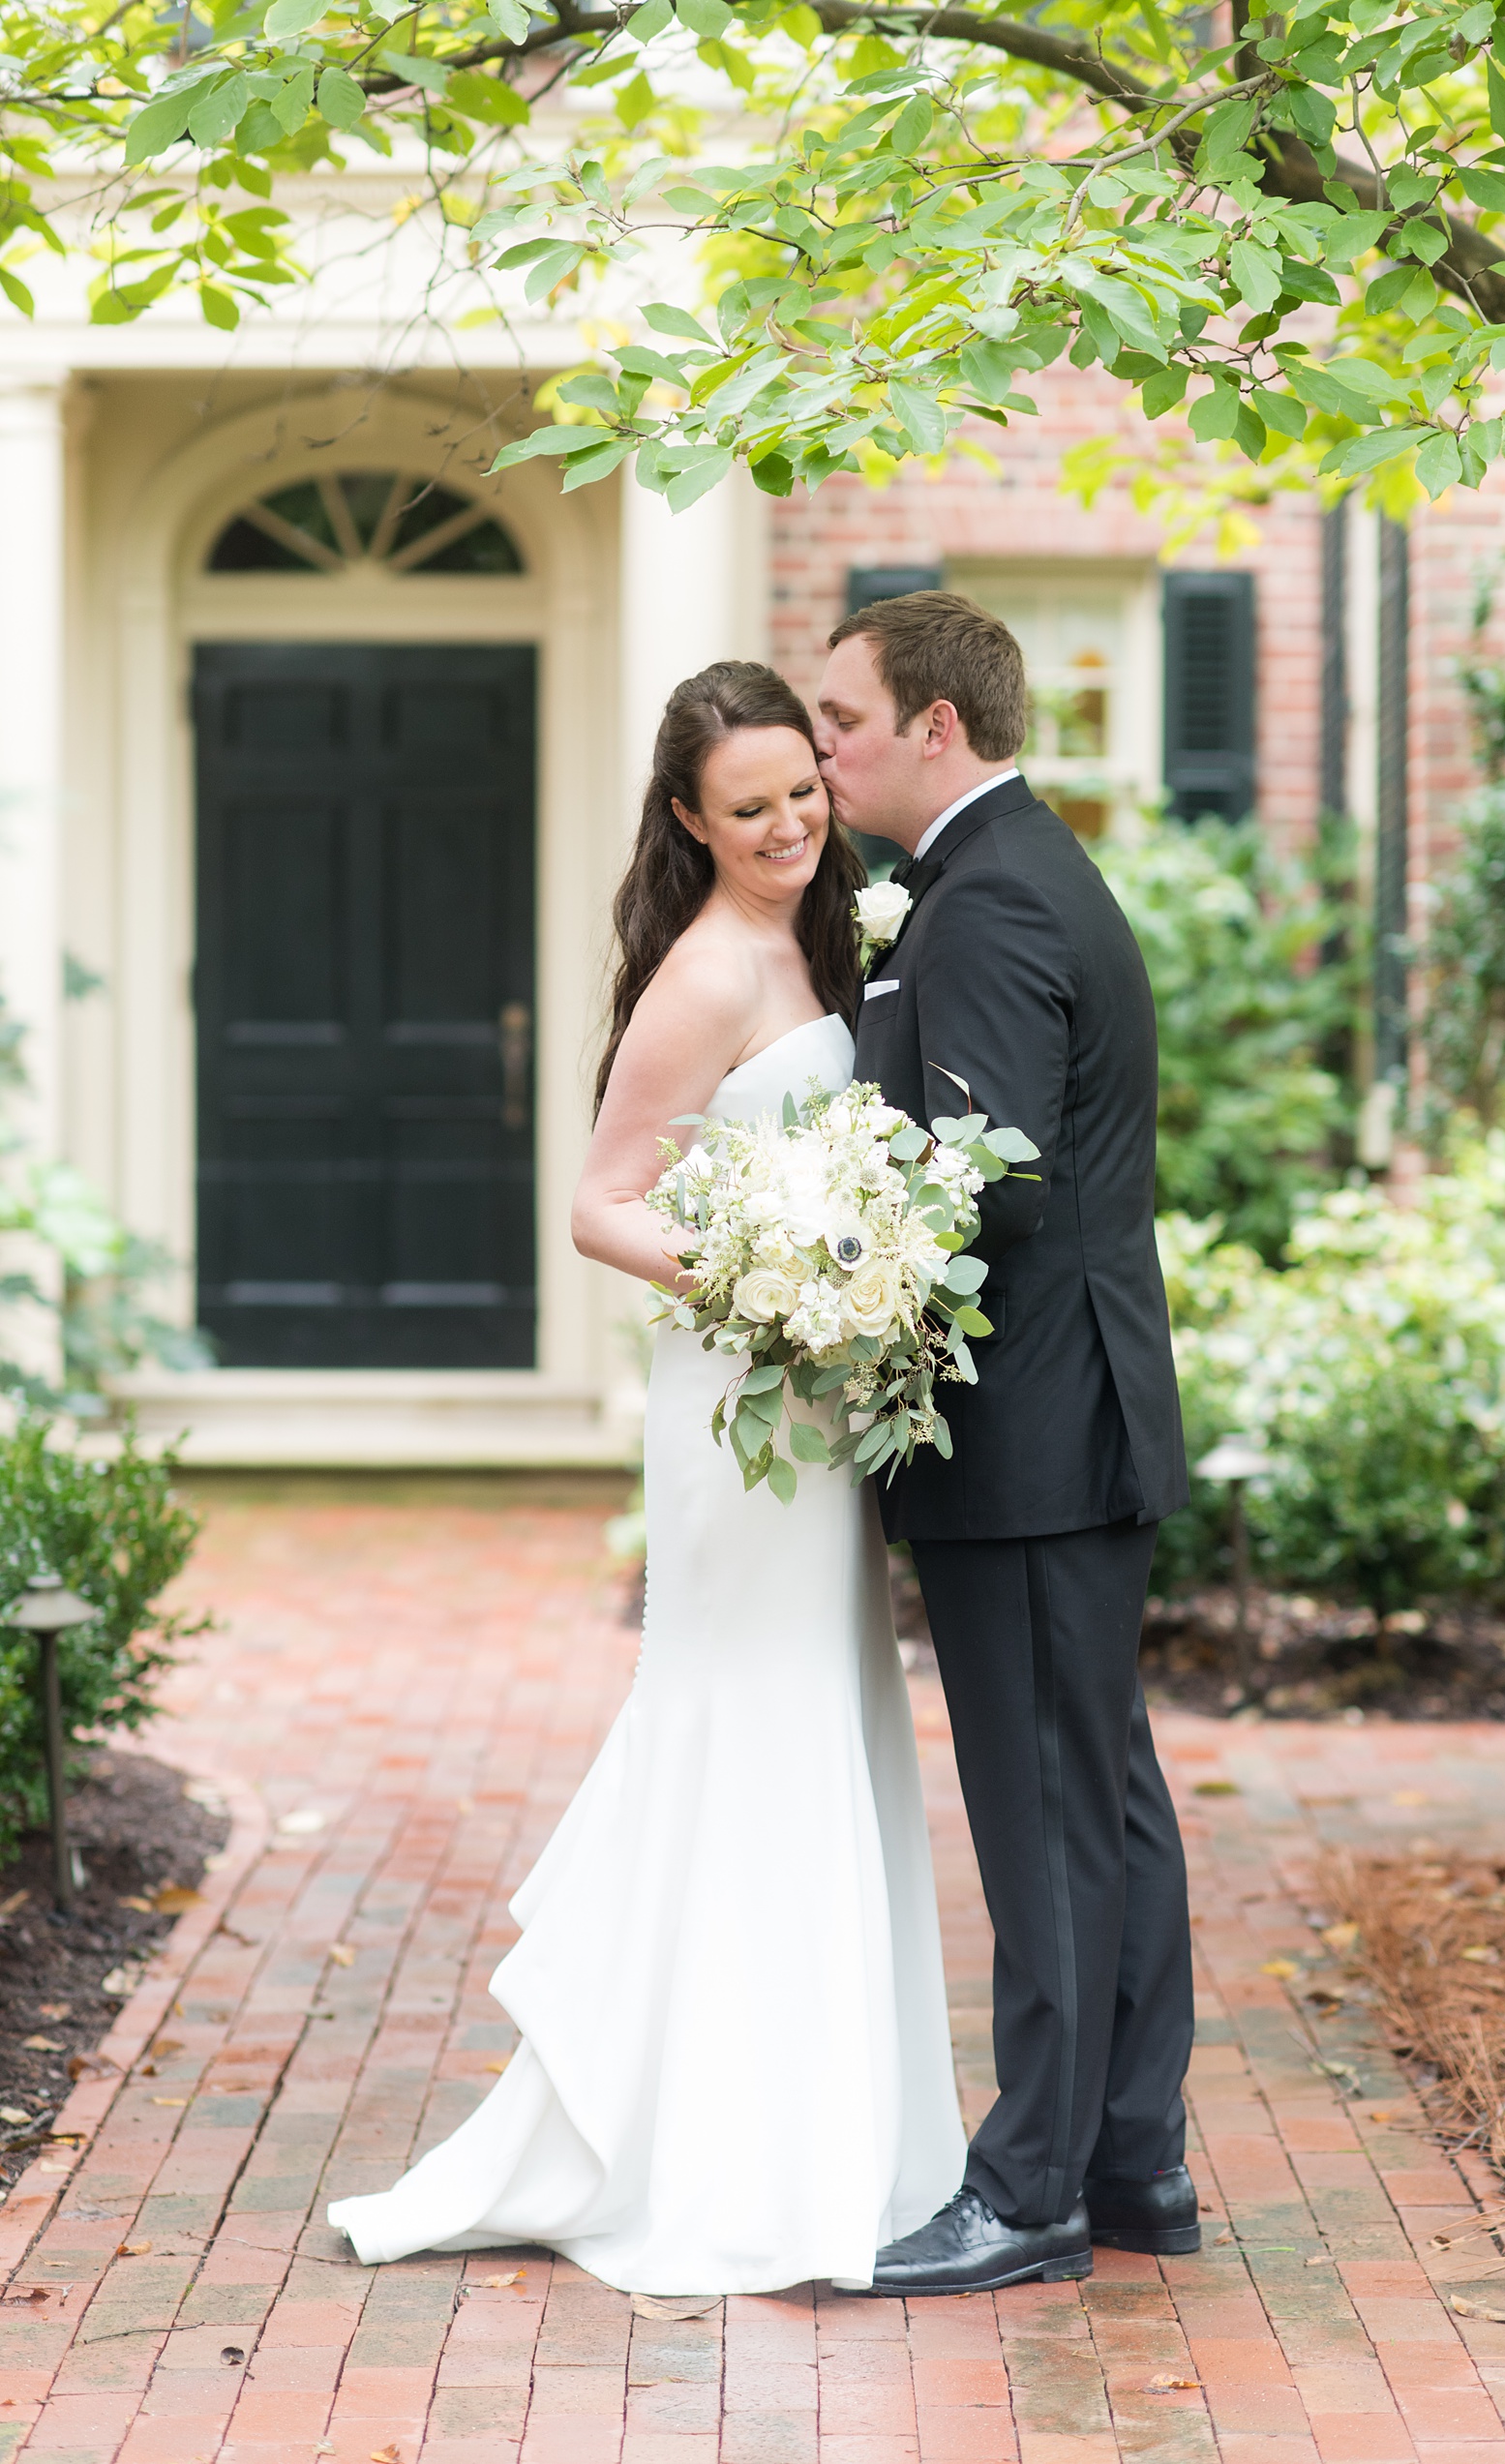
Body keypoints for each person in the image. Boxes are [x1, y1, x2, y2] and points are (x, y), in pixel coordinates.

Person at [326, 662, 967, 2294]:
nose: (787, 828)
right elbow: (604, 1204)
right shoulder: (701, 971)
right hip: (742, 1411)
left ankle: (830, 2129)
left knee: (824, 1714)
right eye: (747, 809)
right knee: (747, 1723)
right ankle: (716, 2149)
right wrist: (774, 1289)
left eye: (802, 795)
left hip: (812, 1415)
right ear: (688, 818)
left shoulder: (827, 927)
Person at [815, 590, 1198, 2298]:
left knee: (1049, 1810)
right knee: (1103, 1795)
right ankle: (1134, 2161)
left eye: (842, 722)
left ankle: (1032, 2181)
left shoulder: (979, 903)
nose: (825, 750)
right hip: (1082, 1410)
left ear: (935, 730)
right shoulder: (1025, 871)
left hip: (1030, 1430)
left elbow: (992, 1176)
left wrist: (826, 1241)